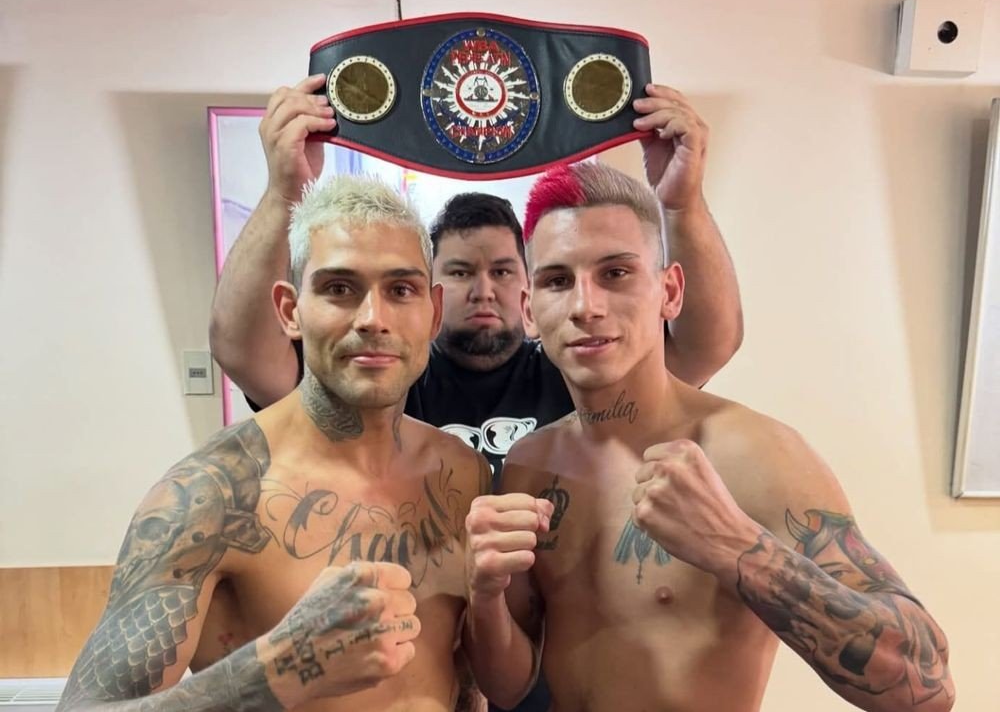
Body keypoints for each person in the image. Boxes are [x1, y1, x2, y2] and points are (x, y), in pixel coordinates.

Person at [462, 162, 955, 712]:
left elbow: (926, 685)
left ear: (670, 291)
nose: (585, 306)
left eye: (616, 273)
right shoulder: (532, 463)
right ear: (529, 311)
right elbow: (511, 686)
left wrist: (736, 547)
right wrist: (484, 593)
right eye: (558, 281)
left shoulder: (752, 453)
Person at [58, 176, 490, 712]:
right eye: (339, 289)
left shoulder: (462, 473)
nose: (373, 320)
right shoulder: (213, 495)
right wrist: (277, 668)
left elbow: (459, 679)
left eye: (401, 290)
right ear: (290, 310)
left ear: (433, 311)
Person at [209, 75, 744, 484]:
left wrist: (682, 202)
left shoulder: (580, 366)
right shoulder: (385, 371)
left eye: (502, 271)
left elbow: (709, 343)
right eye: (461, 271)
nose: (484, 290)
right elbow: (243, 351)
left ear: (529, 293)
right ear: (433, 296)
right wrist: (283, 193)